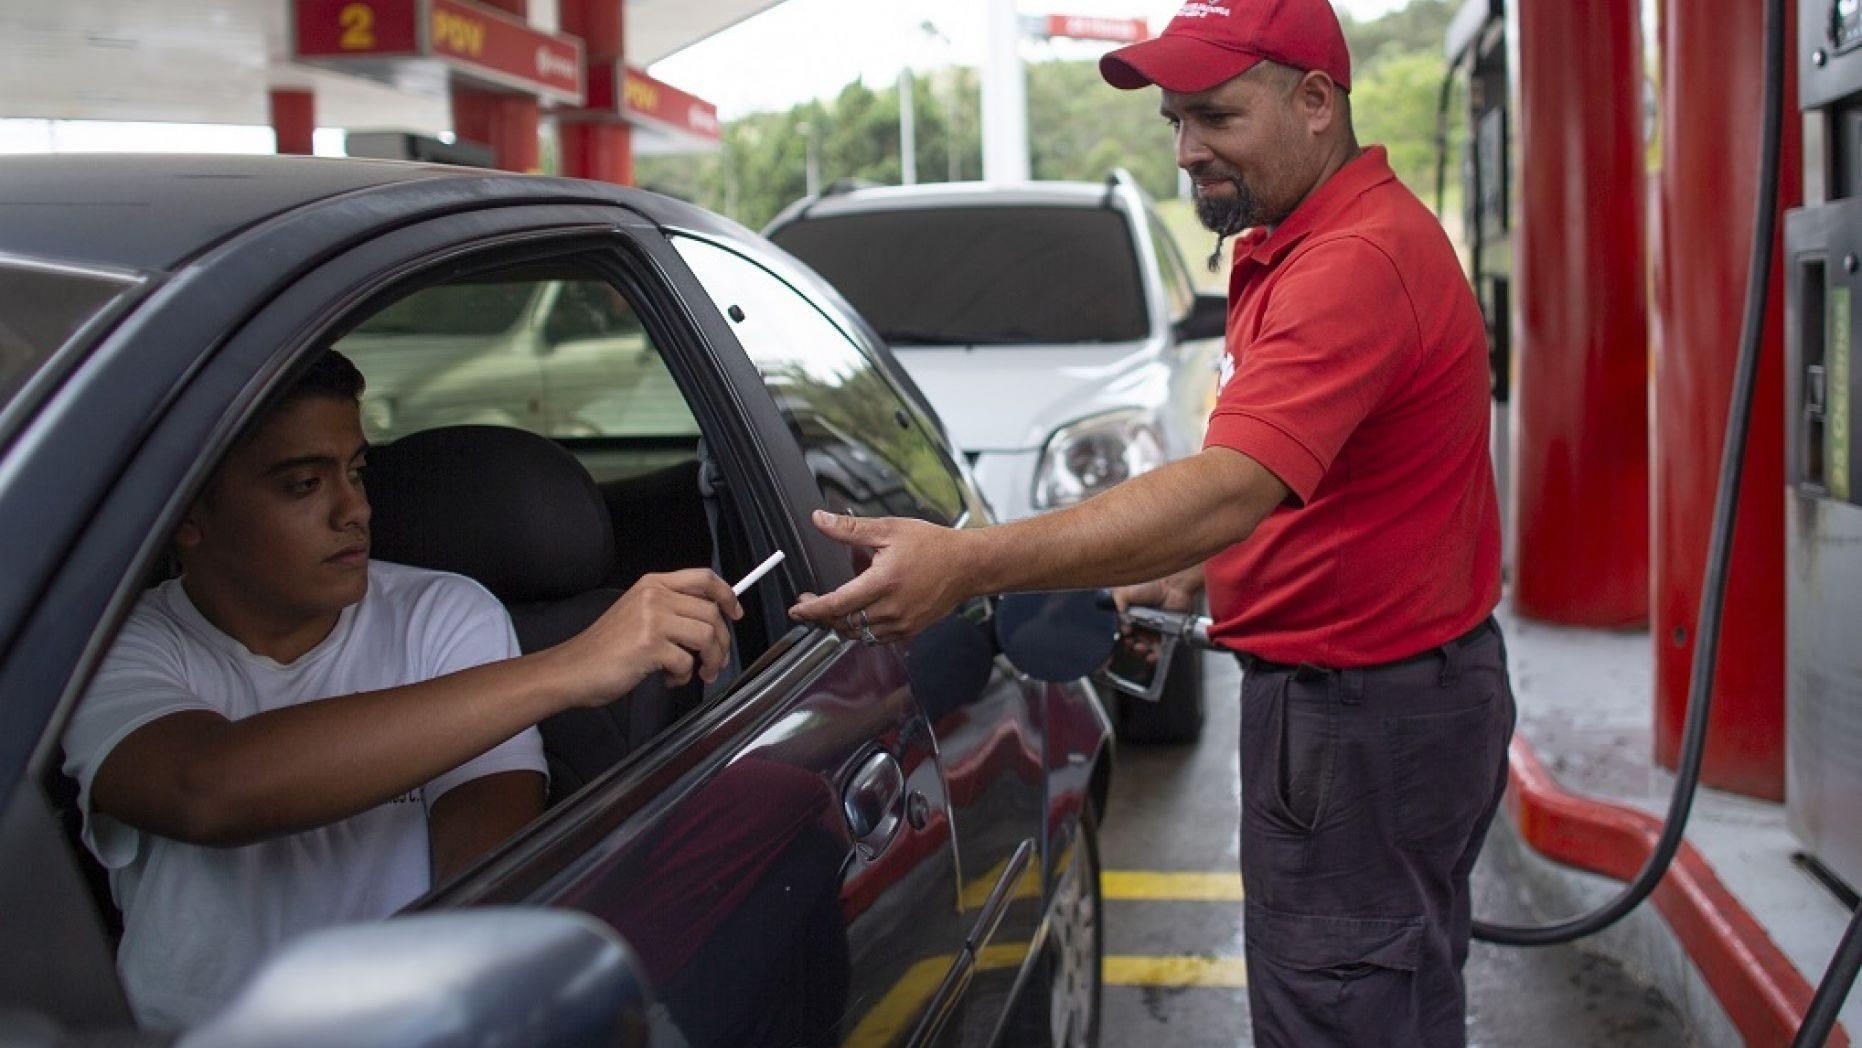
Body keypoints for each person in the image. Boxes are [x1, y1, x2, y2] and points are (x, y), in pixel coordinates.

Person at [787, 1, 1513, 1044]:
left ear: (1315, 101)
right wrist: (1194, 570)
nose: (1186, 151)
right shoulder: (1310, 238)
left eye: (1216, 116)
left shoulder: (1352, 261)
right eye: (1175, 121)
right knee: (1386, 997)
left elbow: (1227, 487)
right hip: (1384, 705)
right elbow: (1331, 483)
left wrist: (971, 563)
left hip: (1360, 721)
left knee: (1343, 1013)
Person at [60, 350, 742, 1029]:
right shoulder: (115, 646)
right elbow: (203, 789)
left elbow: (486, 872)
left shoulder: (442, 614)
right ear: (186, 513)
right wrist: (569, 667)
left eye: (357, 472)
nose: (354, 508)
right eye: (303, 484)